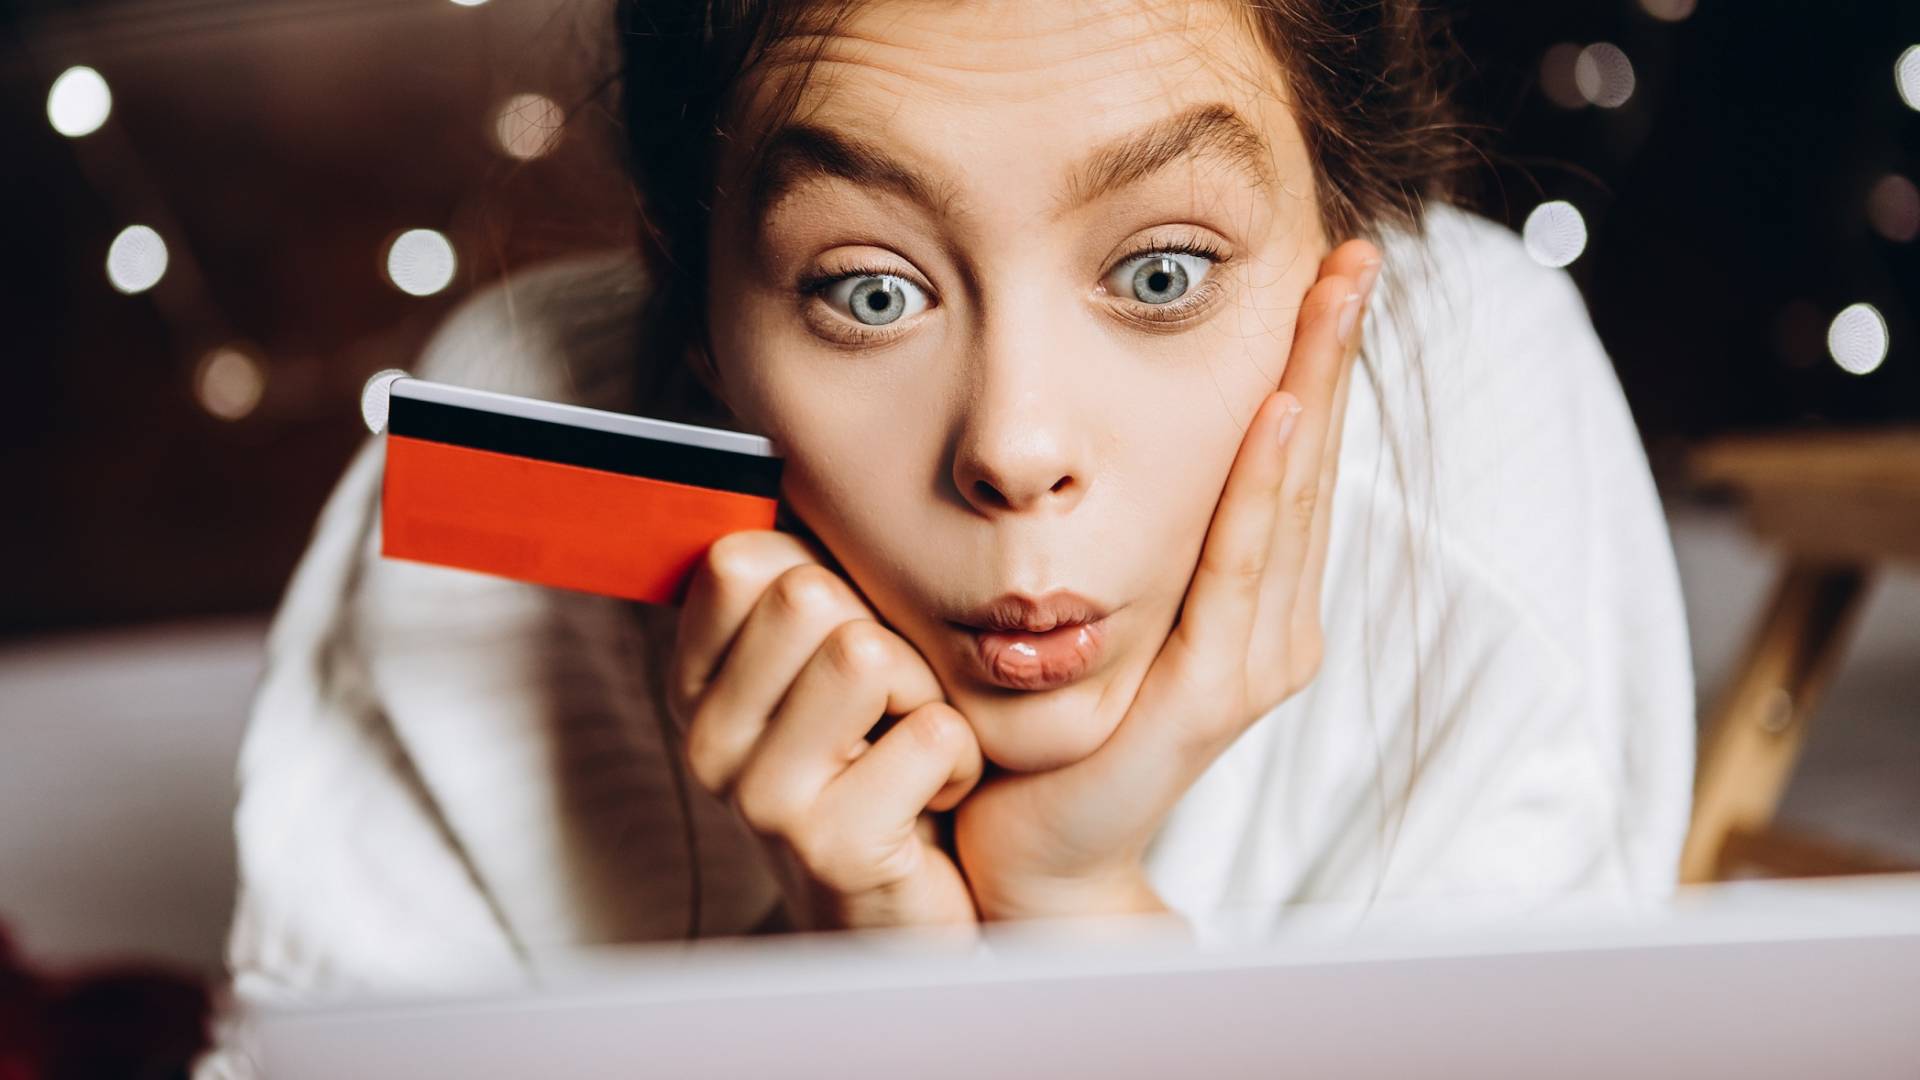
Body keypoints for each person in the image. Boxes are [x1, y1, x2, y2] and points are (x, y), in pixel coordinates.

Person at [196, 0, 1695, 1072]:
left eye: (1164, 272)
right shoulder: (512, 453)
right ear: (697, 299)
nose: (1012, 445)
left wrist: (1072, 917)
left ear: (1345, 261)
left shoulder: (1471, 391)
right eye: (868, 290)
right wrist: (851, 985)